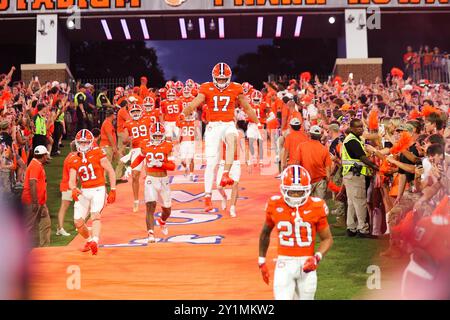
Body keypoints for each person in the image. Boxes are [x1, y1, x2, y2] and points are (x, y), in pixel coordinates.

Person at [181, 62, 259, 212]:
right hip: (213, 126)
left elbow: (247, 107)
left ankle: (225, 173)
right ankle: (207, 197)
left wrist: (257, 121)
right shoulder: (206, 87)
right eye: (219, 79)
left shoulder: (236, 87)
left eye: (224, 79)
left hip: (229, 123)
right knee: (211, 163)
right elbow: (195, 102)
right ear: (214, 77)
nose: (222, 82)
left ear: (229, 78)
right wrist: (183, 113)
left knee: (232, 138)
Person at [258, 165, 333, 300]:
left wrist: (316, 257)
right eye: (292, 192)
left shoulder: (316, 206)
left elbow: (327, 238)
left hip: (307, 263)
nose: (296, 196)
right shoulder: (275, 204)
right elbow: (265, 233)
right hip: (284, 263)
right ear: (283, 189)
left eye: (300, 192)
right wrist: (261, 261)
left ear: (307, 190)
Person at [68, 129, 116, 255]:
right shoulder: (73, 158)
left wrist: (113, 189)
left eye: (86, 142)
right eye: (81, 142)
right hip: (84, 190)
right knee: (78, 222)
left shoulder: (98, 152)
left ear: (91, 142)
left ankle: (95, 240)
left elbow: (110, 170)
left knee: (95, 215)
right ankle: (89, 240)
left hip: (98, 189)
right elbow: (72, 180)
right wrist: (73, 188)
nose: (83, 145)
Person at [131, 122, 175, 243]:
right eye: (154, 136)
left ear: (163, 135)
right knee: (150, 206)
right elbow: (140, 158)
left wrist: (161, 164)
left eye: (159, 136)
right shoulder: (145, 144)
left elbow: (172, 166)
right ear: (151, 135)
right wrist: (131, 167)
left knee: (167, 209)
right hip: (150, 179)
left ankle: (162, 220)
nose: (156, 138)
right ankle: (150, 233)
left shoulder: (168, 145)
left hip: (164, 180)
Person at [341, 119, 379, 238]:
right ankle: (362, 229)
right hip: (355, 175)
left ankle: (351, 228)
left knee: (352, 202)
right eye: (358, 127)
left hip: (351, 174)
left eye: (362, 127)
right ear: (351, 129)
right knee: (360, 202)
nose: (361, 129)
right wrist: (374, 166)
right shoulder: (352, 140)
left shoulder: (354, 139)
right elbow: (362, 158)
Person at [123, 104, 152, 212]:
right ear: (131, 113)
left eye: (137, 111)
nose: (135, 113)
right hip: (136, 150)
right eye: (133, 111)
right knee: (135, 175)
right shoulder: (128, 123)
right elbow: (124, 140)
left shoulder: (148, 120)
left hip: (148, 148)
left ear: (140, 111)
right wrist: (128, 139)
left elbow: (154, 131)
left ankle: (151, 197)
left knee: (151, 175)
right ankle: (136, 201)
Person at [22, 145, 51, 247]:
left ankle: (44, 248)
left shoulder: (37, 164)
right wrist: (34, 202)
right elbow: (32, 183)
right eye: (46, 155)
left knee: (45, 223)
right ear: (43, 156)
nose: (47, 157)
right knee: (28, 226)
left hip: (40, 202)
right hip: (32, 201)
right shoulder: (35, 165)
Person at [294, 125, 332, 199]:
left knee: (305, 205)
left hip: (305, 181)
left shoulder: (301, 146)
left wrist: (297, 181)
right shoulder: (324, 149)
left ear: (309, 134)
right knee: (318, 206)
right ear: (320, 136)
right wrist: (327, 182)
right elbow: (328, 169)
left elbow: (297, 164)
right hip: (320, 181)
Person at [56, 141, 78, 237]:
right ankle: (60, 229)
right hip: (67, 186)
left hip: (68, 185)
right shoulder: (71, 159)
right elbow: (73, 175)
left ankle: (60, 228)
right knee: (64, 207)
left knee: (76, 205)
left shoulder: (70, 156)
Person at [216, 141, 240, 217]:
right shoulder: (222, 134)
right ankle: (224, 196)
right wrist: (217, 162)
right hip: (224, 162)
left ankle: (232, 208)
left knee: (235, 185)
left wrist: (248, 161)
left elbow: (244, 148)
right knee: (219, 186)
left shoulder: (239, 134)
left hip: (235, 163)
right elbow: (219, 149)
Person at [100, 108, 119, 183]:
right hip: (107, 146)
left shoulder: (107, 122)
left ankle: (104, 180)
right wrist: (114, 147)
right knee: (106, 164)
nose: (115, 115)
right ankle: (103, 180)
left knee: (107, 164)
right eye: (114, 114)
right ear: (111, 115)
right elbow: (109, 136)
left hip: (107, 146)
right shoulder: (107, 123)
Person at [176, 111, 196, 180]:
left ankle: (191, 174)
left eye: (190, 114)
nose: (188, 116)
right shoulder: (181, 122)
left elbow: (198, 133)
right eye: (187, 115)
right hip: (183, 143)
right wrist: (178, 140)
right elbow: (180, 132)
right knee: (182, 160)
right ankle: (186, 167)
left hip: (192, 142)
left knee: (191, 159)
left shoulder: (195, 123)